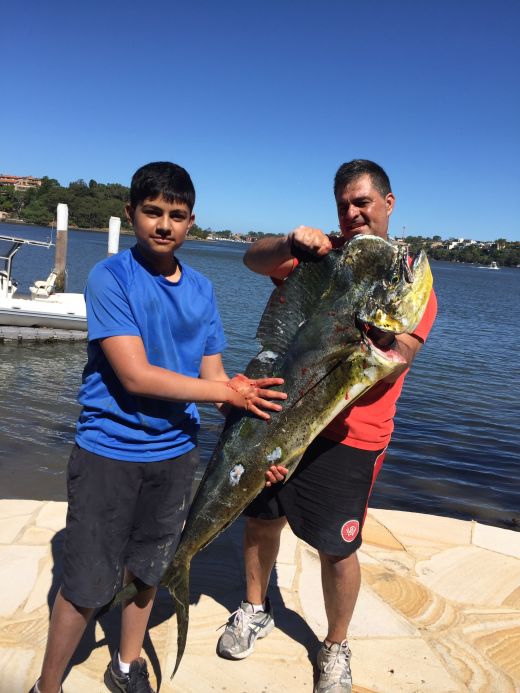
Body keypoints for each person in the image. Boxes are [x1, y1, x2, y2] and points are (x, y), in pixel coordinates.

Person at [29, 161, 287, 693]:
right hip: (109, 452)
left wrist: (262, 449)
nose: (164, 225)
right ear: (131, 214)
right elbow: (136, 375)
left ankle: (126, 665)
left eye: (176, 215)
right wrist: (225, 390)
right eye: (152, 212)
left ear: (191, 221)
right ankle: (48, 685)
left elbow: (215, 381)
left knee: (148, 572)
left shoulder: (202, 290)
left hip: (174, 456)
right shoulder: (110, 277)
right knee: (85, 584)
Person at [216, 159, 437, 693]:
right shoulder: (322, 257)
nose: (353, 213)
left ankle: (335, 646)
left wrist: (369, 339)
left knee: (338, 547)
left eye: (362, 202)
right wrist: (292, 243)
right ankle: (254, 607)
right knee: (262, 518)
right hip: (279, 415)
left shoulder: (409, 276)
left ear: (388, 203)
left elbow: (398, 355)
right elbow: (252, 258)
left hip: (351, 436)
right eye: (343, 205)